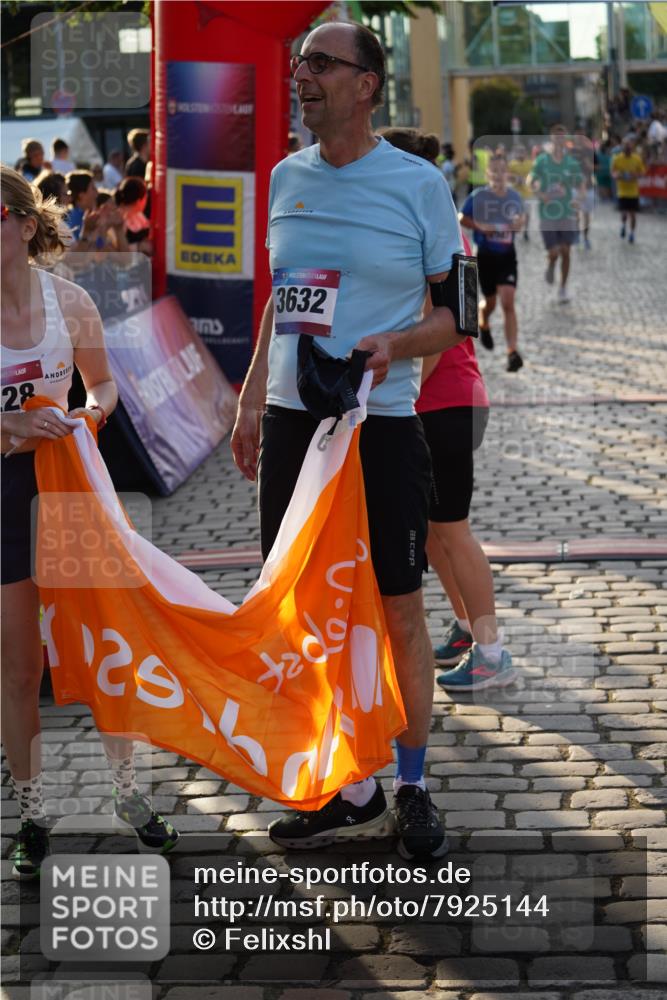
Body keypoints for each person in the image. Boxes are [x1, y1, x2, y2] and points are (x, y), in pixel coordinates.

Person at [231, 22, 467, 860]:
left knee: (398, 605)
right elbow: (281, 295)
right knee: (301, 609)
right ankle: (347, 783)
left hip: (380, 421)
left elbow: (454, 315)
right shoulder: (285, 176)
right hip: (299, 425)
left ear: (366, 84)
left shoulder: (417, 184)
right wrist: (254, 397)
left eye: (321, 65)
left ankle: (409, 784)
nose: (303, 76)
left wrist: (390, 348)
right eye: (299, 63)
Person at [0, 166, 179, 877]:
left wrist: (89, 415)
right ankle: (33, 810)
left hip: (65, 489)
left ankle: (128, 795)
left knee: (104, 652)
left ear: (21, 223)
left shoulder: (68, 302)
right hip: (5, 499)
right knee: (18, 670)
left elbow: (102, 385)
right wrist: (7, 420)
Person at [381, 128, 515, 691]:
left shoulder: (431, 237)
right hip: (449, 403)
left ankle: (492, 651)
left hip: (444, 405)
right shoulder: (438, 231)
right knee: (436, 535)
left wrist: (400, 403)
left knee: (453, 533)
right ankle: (467, 628)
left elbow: (435, 341)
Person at [460, 154, 525, 372]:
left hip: (507, 255)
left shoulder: (514, 197)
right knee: (491, 303)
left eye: (502, 171)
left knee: (508, 302)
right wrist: (480, 226)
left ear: (508, 174)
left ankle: (512, 352)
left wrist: (518, 223)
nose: (498, 175)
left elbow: (521, 218)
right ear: (488, 174)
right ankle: (483, 320)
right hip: (485, 256)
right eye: (494, 171)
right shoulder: (479, 196)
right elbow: (461, 217)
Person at [530, 124, 584, 304]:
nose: (559, 139)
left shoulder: (572, 163)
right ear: (551, 139)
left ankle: (563, 288)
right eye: (556, 136)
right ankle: (551, 263)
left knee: (566, 251)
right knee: (554, 252)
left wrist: (580, 199)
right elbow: (531, 179)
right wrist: (539, 193)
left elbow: (582, 184)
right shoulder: (542, 160)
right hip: (547, 214)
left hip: (566, 212)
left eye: (562, 136)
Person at [611, 137, 645, 244]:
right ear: (622, 148)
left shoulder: (637, 159)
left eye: (629, 147)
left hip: (634, 191)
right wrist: (616, 175)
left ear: (632, 148)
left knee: (633, 214)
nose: (627, 149)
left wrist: (636, 175)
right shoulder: (617, 159)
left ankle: (632, 233)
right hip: (622, 191)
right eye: (626, 147)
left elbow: (642, 172)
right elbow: (613, 172)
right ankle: (623, 226)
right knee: (624, 213)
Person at [115, 176, 152, 255]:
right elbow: (115, 249)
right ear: (140, 200)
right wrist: (138, 247)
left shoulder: (139, 216)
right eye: (146, 197)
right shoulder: (118, 218)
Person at [508, 144, 533, 240]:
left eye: (522, 152)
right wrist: (516, 179)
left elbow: (534, 176)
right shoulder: (512, 164)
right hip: (515, 193)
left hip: (527, 193)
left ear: (525, 153)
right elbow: (508, 176)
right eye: (519, 152)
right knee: (515, 213)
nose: (521, 154)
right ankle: (514, 229)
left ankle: (526, 230)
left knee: (527, 213)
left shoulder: (530, 163)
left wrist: (528, 180)